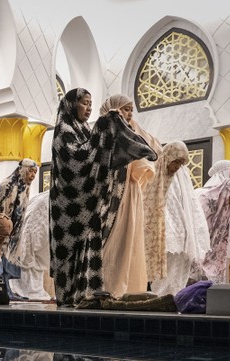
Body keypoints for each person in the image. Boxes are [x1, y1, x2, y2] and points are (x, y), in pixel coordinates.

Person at [49, 88, 158, 307]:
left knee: (89, 247)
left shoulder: (84, 130)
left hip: (87, 205)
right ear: (71, 105)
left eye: (90, 104)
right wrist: (103, 127)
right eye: (84, 103)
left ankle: (85, 295)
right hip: (68, 206)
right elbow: (78, 160)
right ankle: (68, 297)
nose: (88, 108)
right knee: (69, 253)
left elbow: (97, 154)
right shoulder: (64, 130)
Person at [97, 95, 161, 298]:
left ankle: (128, 289)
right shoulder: (103, 131)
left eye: (131, 109)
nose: (129, 114)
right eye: (125, 109)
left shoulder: (131, 132)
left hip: (130, 193)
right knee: (113, 240)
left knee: (129, 242)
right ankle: (109, 287)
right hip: (110, 195)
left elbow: (152, 151)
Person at [150, 142, 210, 295]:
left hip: (183, 232)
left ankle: (176, 297)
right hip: (162, 232)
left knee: (180, 266)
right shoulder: (155, 172)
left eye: (181, 163)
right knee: (163, 267)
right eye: (176, 161)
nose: (177, 166)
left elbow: (191, 205)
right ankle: (160, 298)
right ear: (168, 157)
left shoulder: (183, 176)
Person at [0, 159, 38, 299]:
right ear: (22, 169)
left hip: (13, 232)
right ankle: (1, 290)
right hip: (0, 230)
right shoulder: (7, 185)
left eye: (35, 172)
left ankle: (8, 291)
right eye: (30, 171)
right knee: (0, 259)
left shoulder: (25, 187)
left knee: (8, 259)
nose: (33, 175)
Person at [198, 160, 230, 283]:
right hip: (208, 239)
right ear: (222, 172)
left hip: (226, 240)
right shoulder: (203, 193)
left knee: (223, 274)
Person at [7, 191, 53, 300]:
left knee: (33, 260)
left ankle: (30, 290)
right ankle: (27, 291)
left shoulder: (44, 198)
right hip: (28, 238)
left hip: (32, 236)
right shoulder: (44, 199)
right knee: (29, 260)